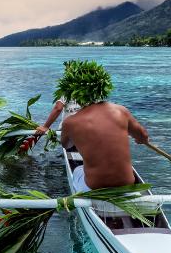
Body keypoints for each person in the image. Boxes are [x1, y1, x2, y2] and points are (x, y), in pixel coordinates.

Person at [36, 60, 149, 192]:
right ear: (101, 88)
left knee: (78, 169)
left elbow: (66, 145)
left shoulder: (70, 122)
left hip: (95, 186)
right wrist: (141, 139)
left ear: (74, 92)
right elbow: (143, 136)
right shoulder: (121, 111)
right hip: (127, 182)